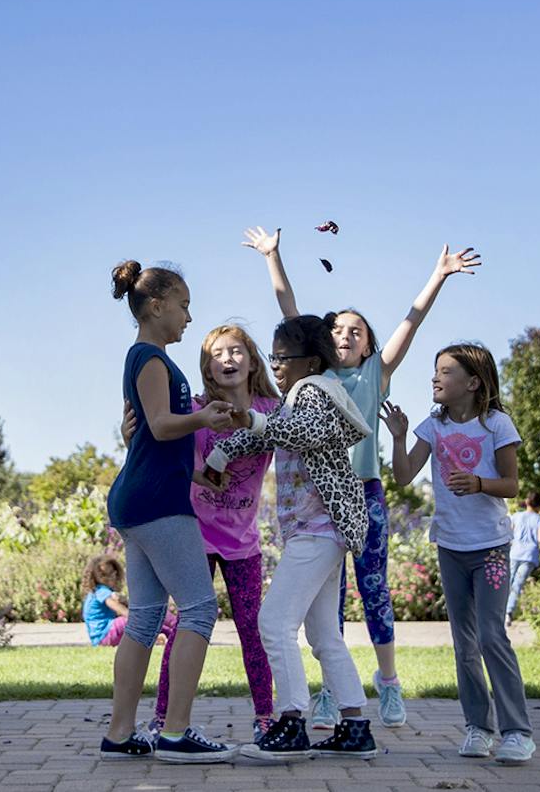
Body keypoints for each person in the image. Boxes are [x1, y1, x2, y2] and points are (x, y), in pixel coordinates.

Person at [242, 226, 479, 729]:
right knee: (327, 615)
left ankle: (386, 683)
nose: (345, 335)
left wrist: (438, 275)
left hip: (359, 496)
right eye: (337, 330)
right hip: (318, 505)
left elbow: (410, 323)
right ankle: (339, 703)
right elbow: (292, 318)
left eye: (357, 330)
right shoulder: (311, 375)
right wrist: (272, 257)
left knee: (371, 588)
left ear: (370, 344)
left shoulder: (371, 375)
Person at [201, 315, 379, 761]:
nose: (276, 364)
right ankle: (356, 726)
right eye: (274, 357)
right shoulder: (293, 400)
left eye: (284, 357)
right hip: (321, 531)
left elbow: (306, 431)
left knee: (274, 623)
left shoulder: (314, 392)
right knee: (324, 636)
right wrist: (221, 453)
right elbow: (266, 433)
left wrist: (255, 426)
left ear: (311, 362)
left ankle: (291, 722)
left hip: (318, 530)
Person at [100, 261, 244, 763]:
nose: (188, 314)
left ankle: (120, 735)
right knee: (200, 609)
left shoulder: (144, 358)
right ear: (157, 306)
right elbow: (161, 427)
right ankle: (176, 733)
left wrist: (201, 474)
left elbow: (155, 442)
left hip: (139, 498)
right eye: (183, 304)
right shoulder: (152, 359)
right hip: (157, 504)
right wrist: (204, 416)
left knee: (143, 618)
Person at [386, 344, 535, 766]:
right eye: (436, 371)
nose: (436, 378)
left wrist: (479, 483)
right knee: (464, 643)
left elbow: (511, 485)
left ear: (472, 383)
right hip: (450, 546)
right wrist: (398, 438)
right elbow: (401, 475)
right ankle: (478, 727)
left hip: (490, 546)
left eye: (446, 372)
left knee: (491, 635)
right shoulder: (431, 427)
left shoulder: (496, 425)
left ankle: (517, 731)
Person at [159, 325, 279, 734]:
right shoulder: (197, 410)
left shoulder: (272, 409)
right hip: (197, 534)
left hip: (243, 542)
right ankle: (163, 717)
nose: (227, 359)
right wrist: (204, 476)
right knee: (186, 627)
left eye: (236, 351)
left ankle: (266, 718)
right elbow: (176, 464)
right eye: (217, 353)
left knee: (253, 628)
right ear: (208, 368)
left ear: (252, 360)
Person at [82, 553, 179, 650]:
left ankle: (170, 632)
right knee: (138, 619)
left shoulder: (96, 592)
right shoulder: (101, 591)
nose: (110, 577)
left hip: (101, 638)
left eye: (112, 573)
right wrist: (134, 616)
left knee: (143, 616)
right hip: (106, 634)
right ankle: (173, 632)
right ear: (95, 577)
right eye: (104, 575)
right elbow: (115, 606)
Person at [507, 493, 540, 616]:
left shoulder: (516, 516)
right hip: (529, 555)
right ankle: (509, 611)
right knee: (518, 583)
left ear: (527, 502)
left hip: (514, 552)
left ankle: (499, 609)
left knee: (508, 582)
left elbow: (509, 533)